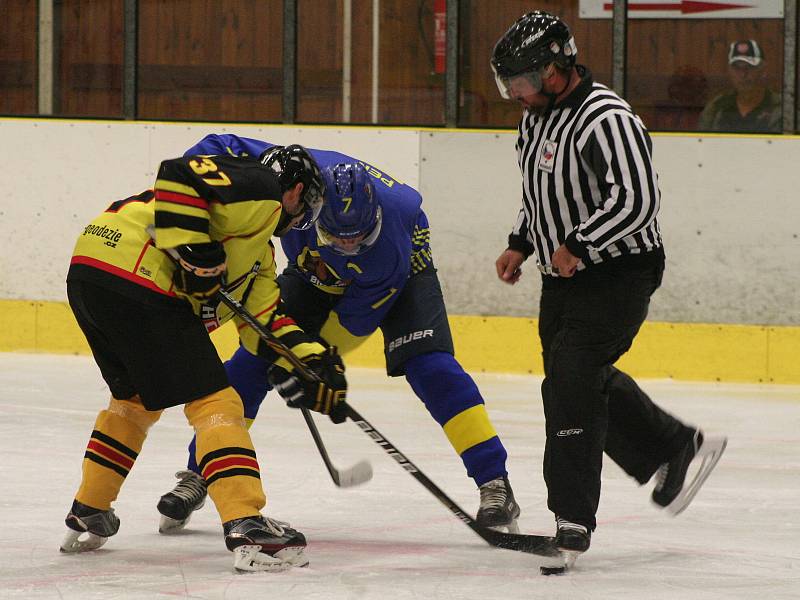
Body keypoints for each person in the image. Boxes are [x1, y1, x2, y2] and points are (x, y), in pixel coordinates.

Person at [155, 133, 521, 536]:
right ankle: (200, 472)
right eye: (336, 239)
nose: (347, 247)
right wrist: (195, 212)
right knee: (252, 359)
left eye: (357, 240)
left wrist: (306, 364)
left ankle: (494, 481)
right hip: (313, 271)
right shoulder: (288, 171)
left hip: (401, 275)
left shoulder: (387, 251)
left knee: (431, 367)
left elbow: (351, 325)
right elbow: (209, 149)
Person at [490, 11, 727, 564]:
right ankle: (673, 444)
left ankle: (571, 522)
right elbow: (541, 194)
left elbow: (637, 202)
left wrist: (579, 244)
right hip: (565, 275)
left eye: (521, 82)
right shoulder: (536, 120)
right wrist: (522, 242)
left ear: (553, 70)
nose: (514, 94)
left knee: (571, 381)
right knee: (574, 376)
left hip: (619, 272)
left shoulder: (606, 119)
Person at [61, 144, 349, 572]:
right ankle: (247, 525)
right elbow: (179, 174)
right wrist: (194, 248)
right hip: (139, 275)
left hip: (90, 272)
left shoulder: (257, 252)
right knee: (218, 403)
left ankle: (90, 509)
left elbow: (267, 322)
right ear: (297, 190)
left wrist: (313, 363)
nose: (303, 215)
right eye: (307, 203)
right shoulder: (262, 190)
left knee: (134, 401)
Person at [698, 39, 781, 133]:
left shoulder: (782, 109)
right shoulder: (716, 109)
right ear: (729, 71)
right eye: (736, 68)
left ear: (763, 71)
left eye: (749, 67)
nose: (743, 74)